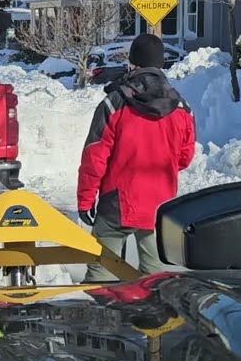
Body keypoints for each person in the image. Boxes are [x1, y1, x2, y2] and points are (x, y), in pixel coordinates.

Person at [77, 34, 195, 282]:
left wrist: (86, 200)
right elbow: (184, 157)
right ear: (161, 64)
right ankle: (148, 317)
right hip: (159, 205)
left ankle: (104, 316)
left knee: (102, 276)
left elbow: (94, 158)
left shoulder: (115, 103)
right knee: (153, 280)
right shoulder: (182, 108)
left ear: (132, 63)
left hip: (116, 203)